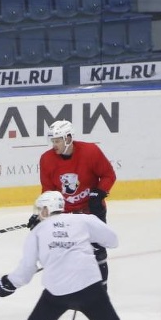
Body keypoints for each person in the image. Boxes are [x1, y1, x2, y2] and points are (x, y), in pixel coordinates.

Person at [0, 191, 151, 320]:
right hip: (90, 288)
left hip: (57, 292)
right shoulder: (83, 220)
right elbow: (112, 241)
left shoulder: (38, 231)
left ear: (45, 209)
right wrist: (90, 241)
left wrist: (7, 284)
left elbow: (26, 270)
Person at [37, 119, 116, 283]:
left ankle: (101, 290)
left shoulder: (90, 151)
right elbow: (48, 190)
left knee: (98, 252)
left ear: (68, 138)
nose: (54, 145)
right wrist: (43, 212)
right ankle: (72, 288)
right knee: (65, 253)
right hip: (66, 215)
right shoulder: (46, 159)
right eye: (52, 141)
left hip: (92, 211)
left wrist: (99, 193)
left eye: (57, 140)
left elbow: (109, 175)